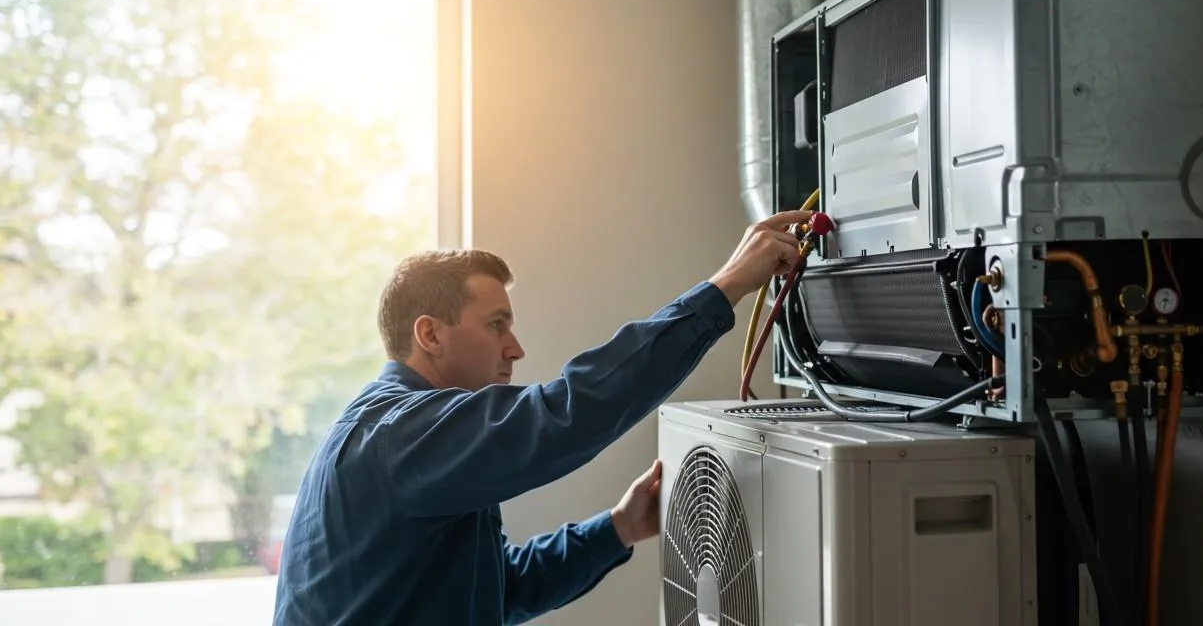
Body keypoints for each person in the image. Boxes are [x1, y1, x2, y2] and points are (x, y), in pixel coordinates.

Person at [271, 210, 812, 625]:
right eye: (496, 325)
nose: (515, 348)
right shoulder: (400, 436)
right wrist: (728, 285)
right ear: (430, 334)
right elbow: (567, 413)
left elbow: (498, 591)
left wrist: (618, 528)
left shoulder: (409, 439)